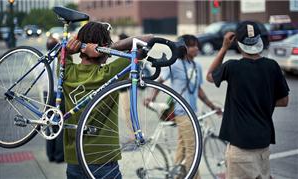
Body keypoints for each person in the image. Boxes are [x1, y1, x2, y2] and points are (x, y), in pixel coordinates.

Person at [62, 21, 153, 178]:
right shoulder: (110, 73)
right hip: (104, 161)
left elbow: (63, 52)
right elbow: (148, 40)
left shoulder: (67, 71)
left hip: (74, 160)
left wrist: (81, 45)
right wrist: (105, 48)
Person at [206, 21, 290, 178]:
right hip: (263, 148)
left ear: (238, 44)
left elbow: (210, 76)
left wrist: (224, 47)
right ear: (259, 41)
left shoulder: (232, 67)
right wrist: (263, 100)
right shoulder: (272, 66)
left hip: (240, 149)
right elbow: (284, 101)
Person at [144, 34, 221, 179]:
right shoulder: (175, 64)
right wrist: (150, 98)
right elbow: (160, 81)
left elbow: (198, 90)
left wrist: (212, 107)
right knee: (193, 148)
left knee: (183, 147)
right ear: (184, 47)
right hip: (181, 112)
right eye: (192, 45)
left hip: (193, 112)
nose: (196, 48)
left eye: (197, 45)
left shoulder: (197, 66)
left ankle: (177, 175)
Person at [45, 36, 64, 163]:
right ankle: (59, 155)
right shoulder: (60, 59)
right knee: (60, 125)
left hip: (47, 94)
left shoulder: (43, 58)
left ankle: (50, 154)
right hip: (58, 94)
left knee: (48, 123)